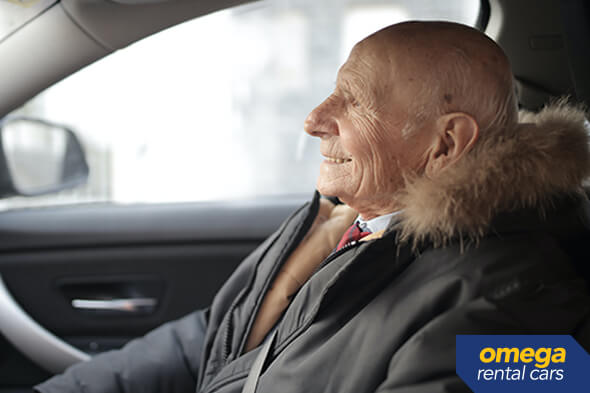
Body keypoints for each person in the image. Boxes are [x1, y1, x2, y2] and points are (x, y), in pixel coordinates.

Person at [36, 21, 590, 393]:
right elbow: (219, 339)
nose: (314, 119)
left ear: (444, 145)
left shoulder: (518, 311)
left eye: (355, 101)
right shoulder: (345, 217)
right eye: (333, 90)